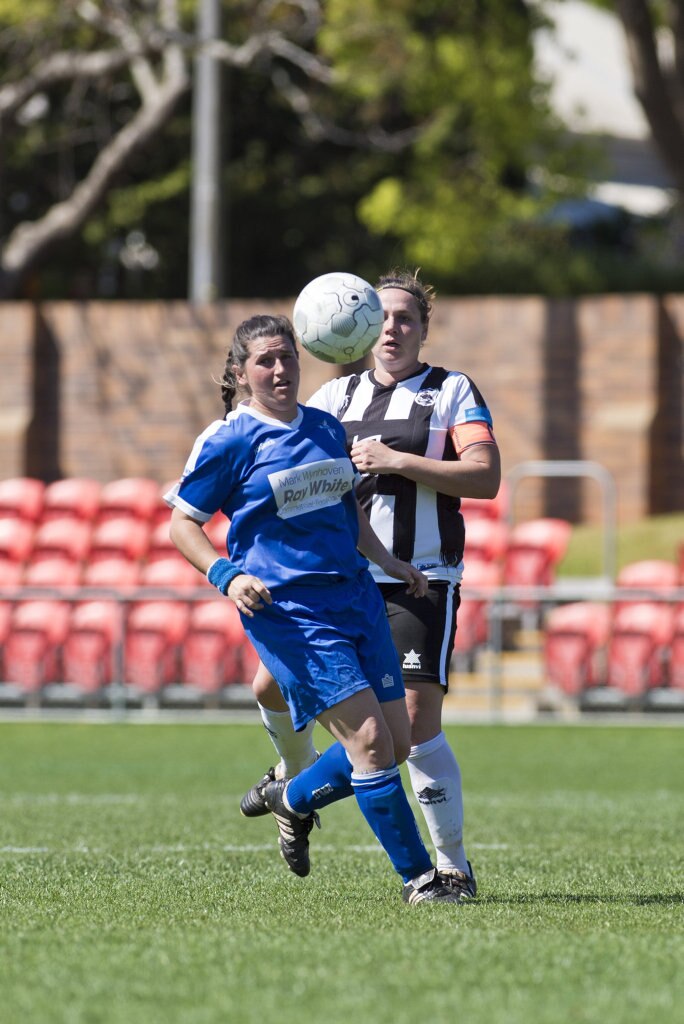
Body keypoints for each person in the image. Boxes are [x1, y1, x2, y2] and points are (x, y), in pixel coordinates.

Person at [165, 312, 463, 905]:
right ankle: (422, 880)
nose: (280, 370)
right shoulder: (228, 438)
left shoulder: (327, 427)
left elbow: (347, 510)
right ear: (241, 373)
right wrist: (227, 574)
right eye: (265, 361)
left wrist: (391, 562)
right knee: (373, 744)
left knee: (398, 743)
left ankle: (292, 796)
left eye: (288, 358)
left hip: (356, 596)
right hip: (291, 612)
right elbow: (182, 524)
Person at [240, 270, 501, 899]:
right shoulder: (336, 399)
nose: (393, 328)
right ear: (358, 324)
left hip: (420, 579)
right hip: (341, 581)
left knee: (413, 725)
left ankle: (452, 869)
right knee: (268, 684)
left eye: (406, 318)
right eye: (381, 317)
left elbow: (485, 476)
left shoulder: (451, 391)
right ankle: (295, 786)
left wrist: (398, 461)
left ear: (423, 329)